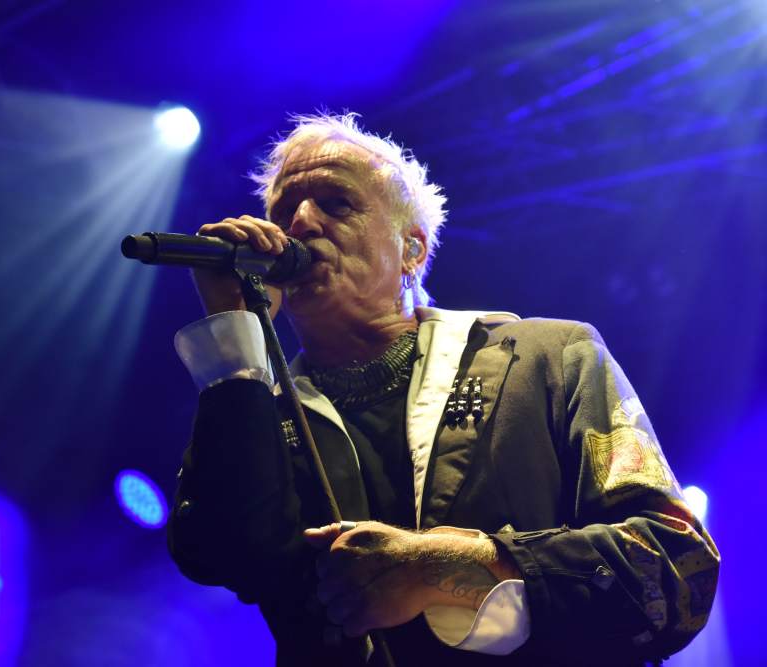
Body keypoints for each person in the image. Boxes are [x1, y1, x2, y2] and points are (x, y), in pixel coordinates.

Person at [166, 112, 719, 666]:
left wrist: (459, 563)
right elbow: (217, 554)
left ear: (412, 250)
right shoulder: (256, 411)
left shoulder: (550, 356)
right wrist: (234, 331)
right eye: (284, 213)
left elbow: (675, 567)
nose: (301, 222)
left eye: (336, 203)